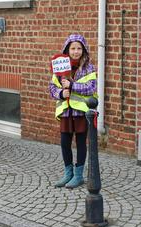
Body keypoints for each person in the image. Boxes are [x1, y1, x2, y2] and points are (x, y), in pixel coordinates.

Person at [49, 34, 97, 189]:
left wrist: (72, 85)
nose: (76, 51)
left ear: (83, 50)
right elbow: (52, 88)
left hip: (81, 113)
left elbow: (91, 87)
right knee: (64, 143)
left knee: (81, 143)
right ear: (67, 49)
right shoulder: (60, 67)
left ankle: (78, 175)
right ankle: (67, 173)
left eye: (79, 48)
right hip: (66, 112)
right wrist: (61, 93)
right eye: (73, 48)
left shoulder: (88, 67)